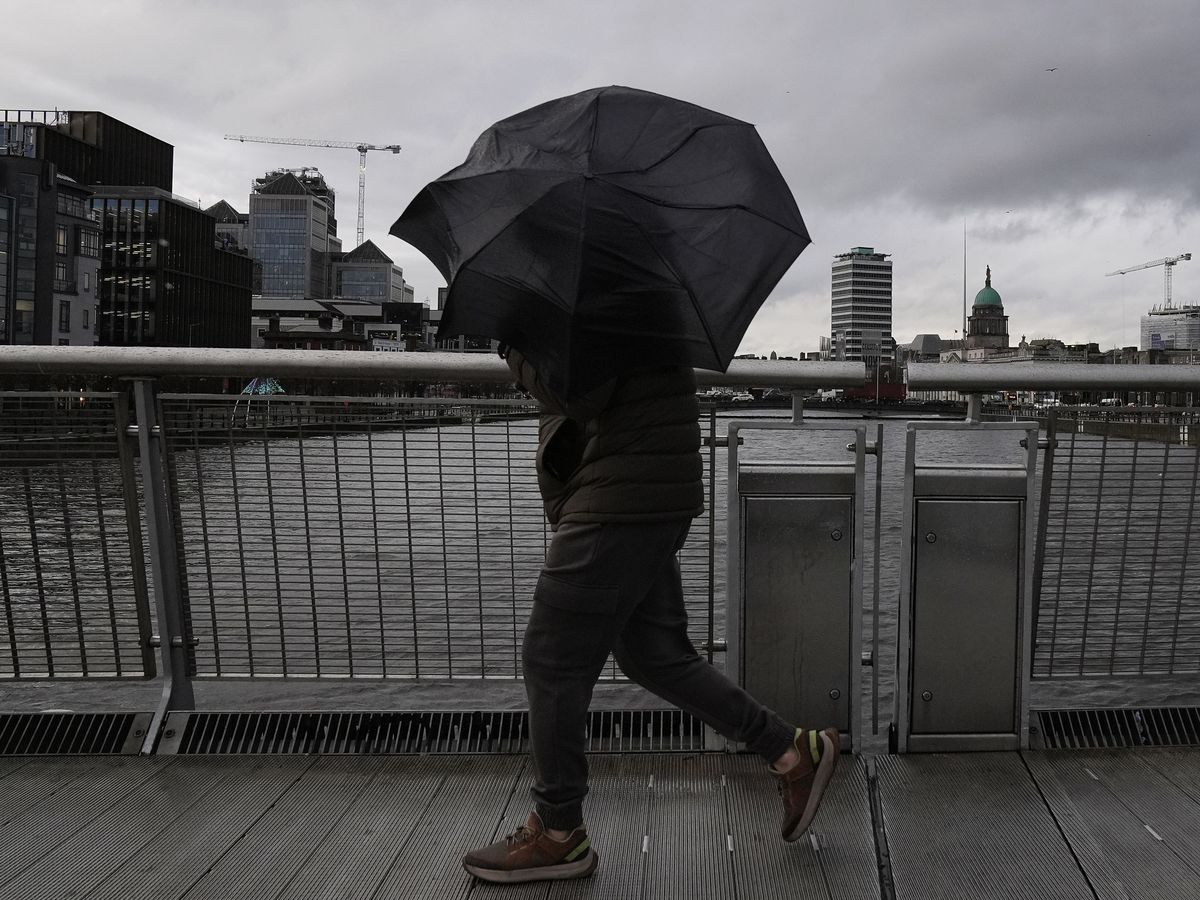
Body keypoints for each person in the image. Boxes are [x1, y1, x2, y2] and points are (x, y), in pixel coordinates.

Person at [462, 347, 839, 884]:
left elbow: (581, 389)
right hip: (647, 490)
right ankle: (790, 751)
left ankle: (558, 832)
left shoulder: (593, 279)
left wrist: (515, 349)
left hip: (617, 498)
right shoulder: (635, 275)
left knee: (551, 661)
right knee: (654, 655)